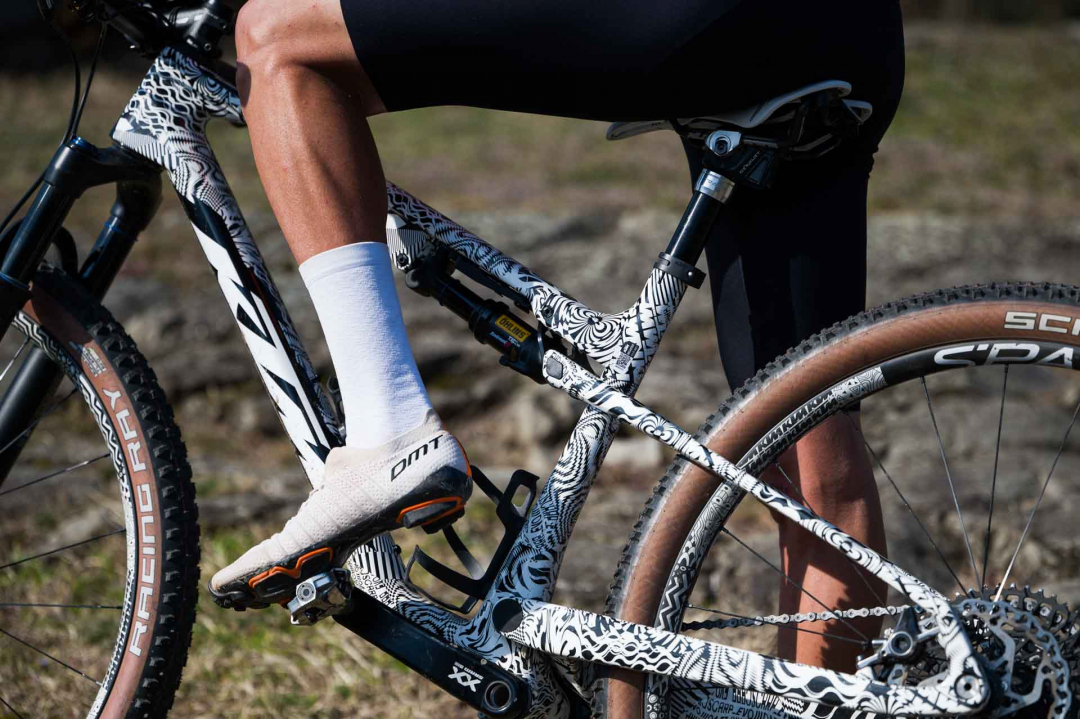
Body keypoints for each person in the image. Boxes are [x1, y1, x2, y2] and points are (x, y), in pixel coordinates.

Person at [209, 0, 904, 672]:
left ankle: (385, 430)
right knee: (809, 460)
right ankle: (835, 698)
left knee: (276, 38)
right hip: (849, 27)